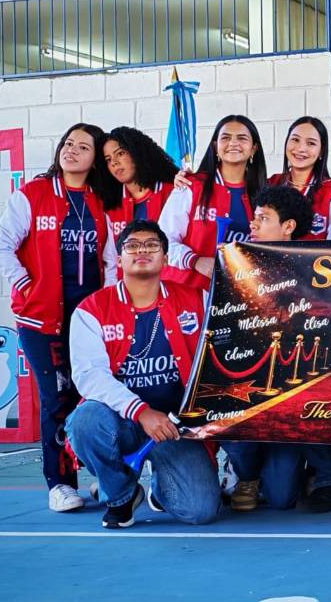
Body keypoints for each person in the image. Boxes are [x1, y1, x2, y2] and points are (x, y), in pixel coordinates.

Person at [0, 123, 117, 512]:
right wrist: (27, 285)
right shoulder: (34, 194)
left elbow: (110, 261)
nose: (72, 151)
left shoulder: (101, 202)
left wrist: (111, 303)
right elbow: (0, 246)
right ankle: (60, 484)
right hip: (41, 321)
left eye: (83, 147)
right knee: (57, 399)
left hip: (88, 322)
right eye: (68, 144)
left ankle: (103, 478)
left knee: (94, 398)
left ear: (95, 159)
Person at [66, 220, 221, 529]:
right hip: (120, 422)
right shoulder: (91, 310)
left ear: (165, 258)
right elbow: (90, 377)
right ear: (119, 259)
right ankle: (122, 495)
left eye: (152, 245)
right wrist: (141, 412)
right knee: (85, 422)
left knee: (200, 512)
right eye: (132, 246)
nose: (142, 251)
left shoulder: (197, 300)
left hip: (174, 427)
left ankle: (161, 489)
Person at [222, 185, 331, 514]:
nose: (253, 224)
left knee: (282, 498)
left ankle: (329, 476)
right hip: (250, 379)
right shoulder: (234, 264)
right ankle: (245, 475)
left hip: (294, 380)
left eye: (264, 218)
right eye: (254, 217)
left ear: (288, 227)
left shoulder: (314, 268)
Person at [158, 115, 266, 290]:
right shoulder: (190, 185)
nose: (233, 143)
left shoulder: (264, 193)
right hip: (185, 294)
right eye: (225, 137)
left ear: (253, 149)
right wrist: (195, 261)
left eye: (242, 138)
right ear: (215, 146)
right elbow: (162, 240)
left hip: (238, 298)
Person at [268, 117, 331, 240]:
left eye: (311, 143)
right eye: (295, 140)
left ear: (321, 152)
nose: (301, 148)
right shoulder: (271, 184)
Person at [102, 126, 179, 239]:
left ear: (136, 152)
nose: (114, 162)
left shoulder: (173, 192)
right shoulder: (111, 206)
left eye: (120, 153)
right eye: (108, 159)